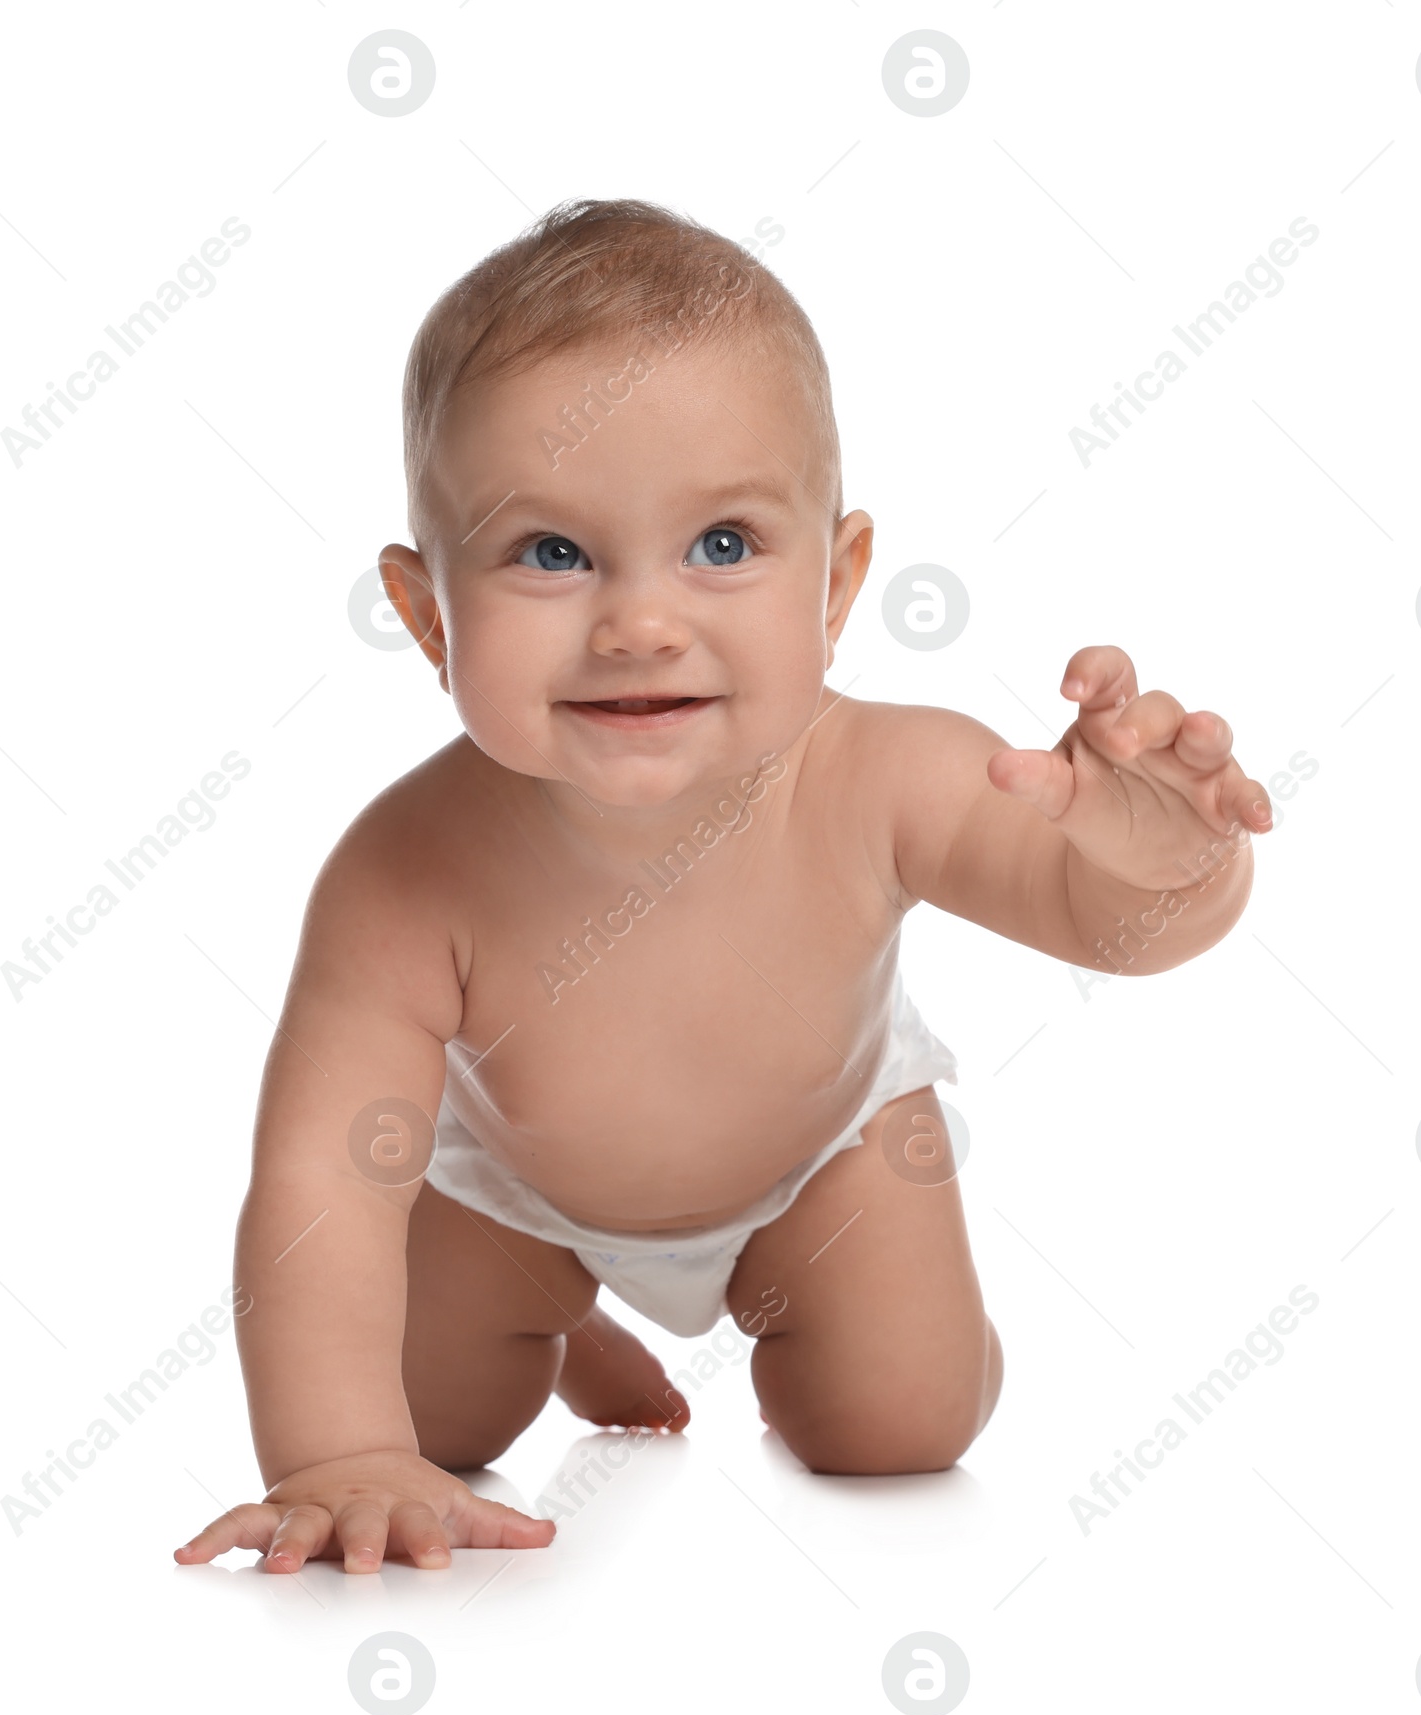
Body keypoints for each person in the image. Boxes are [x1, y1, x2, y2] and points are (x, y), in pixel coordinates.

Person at [175, 197, 1270, 1575]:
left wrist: (1175, 861)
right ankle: (560, 1319)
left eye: (725, 546)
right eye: (552, 554)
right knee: (432, 1427)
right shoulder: (403, 875)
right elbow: (319, 1181)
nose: (641, 622)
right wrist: (334, 1452)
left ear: (836, 584)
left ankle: (811, 1315)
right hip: (515, 1189)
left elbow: (1101, 921)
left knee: (902, 1429)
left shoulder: (887, 776)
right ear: (427, 615)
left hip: (829, 1160)